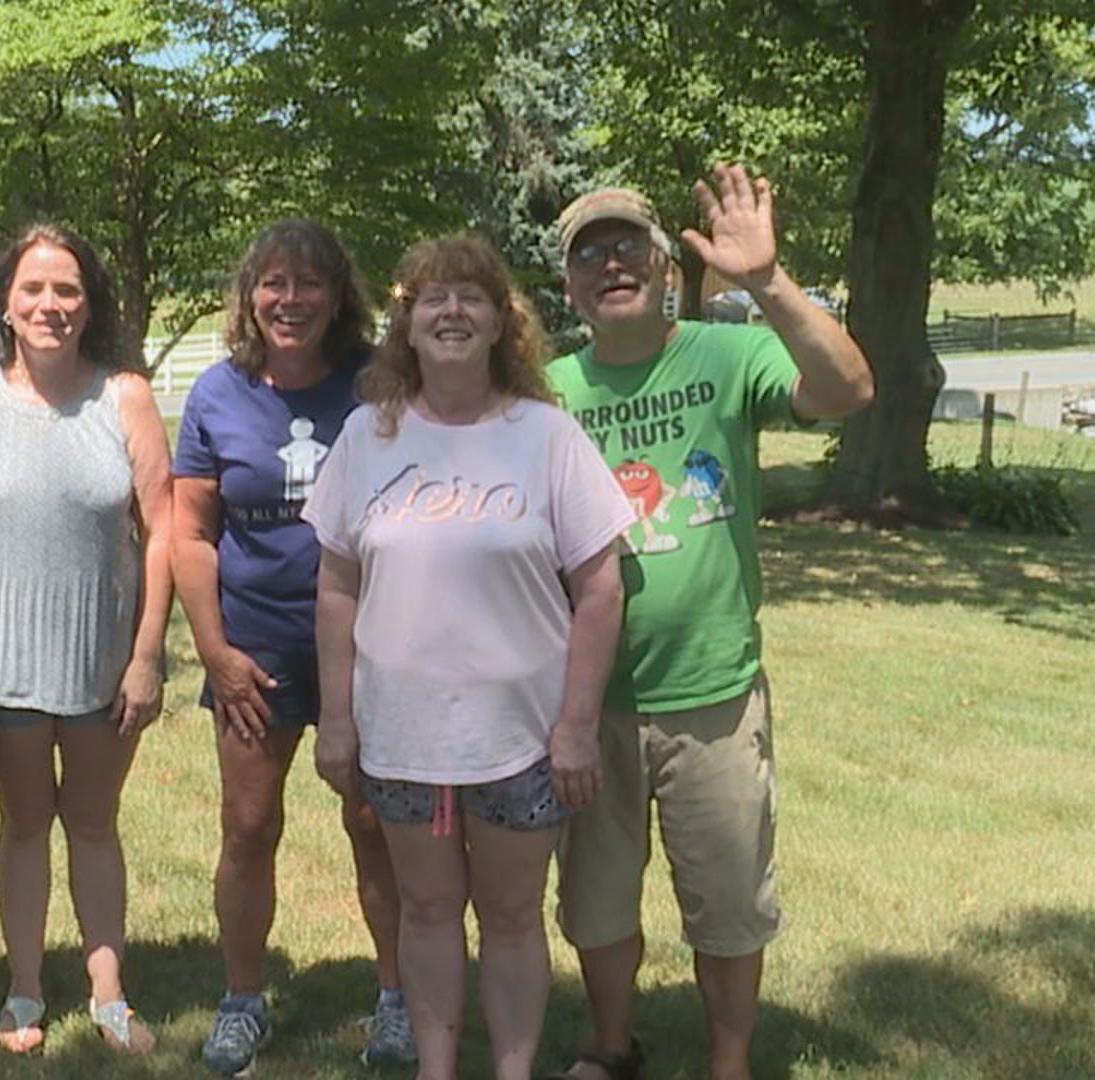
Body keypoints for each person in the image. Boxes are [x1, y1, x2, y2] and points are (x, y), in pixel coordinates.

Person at [542, 169, 873, 1080]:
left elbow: (848, 388)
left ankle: (728, 1061)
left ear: (662, 261)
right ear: (570, 285)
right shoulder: (547, 391)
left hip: (714, 694)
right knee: (597, 902)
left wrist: (766, 281)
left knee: (726, 900)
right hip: (588, 702)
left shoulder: (729, 356)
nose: (611, 264)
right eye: (589, 253)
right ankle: (611, 1047)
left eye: (627, 246)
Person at [306, 235, 633, 1080]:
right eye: (431, 299)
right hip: (401, 735)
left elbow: (600, 587)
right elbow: (337, 588)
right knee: (424, 909)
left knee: (514, 916)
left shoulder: (547, 437)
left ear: (501, 324)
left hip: (521, 739)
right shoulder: (366, 437)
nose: (452, 312)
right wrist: (336, 720)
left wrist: (577, 726)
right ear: (405, 326)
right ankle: (437, 1066)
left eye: (472, 298)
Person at [172, 219, 413, 1075]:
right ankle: (242, 1002)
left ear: (338, 296)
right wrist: (214, 650)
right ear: (250, 297)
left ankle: (399, 1002)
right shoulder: (216, 395)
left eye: (310, 283)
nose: (291, 299)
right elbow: (191, 534)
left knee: (374, 821)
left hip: (372, 644)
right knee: (247, 825)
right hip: (256, 647)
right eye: (273, 283)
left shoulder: (378, 385)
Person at [0, 225, 173, 1055]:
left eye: (68, 290)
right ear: (7, 303)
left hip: (102, 662)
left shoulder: (125, 396)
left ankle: (109, 992)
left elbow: (162, 528)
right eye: (34, 289)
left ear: (91, 304)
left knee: (92, 822)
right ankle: (22, 991)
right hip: (1, 662)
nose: (51, 305)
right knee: (22, 826)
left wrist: (147, 653)